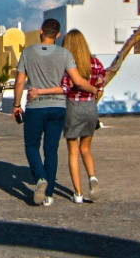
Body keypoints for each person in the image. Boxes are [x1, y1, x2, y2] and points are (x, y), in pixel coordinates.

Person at [12, 18, 98, 206]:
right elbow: (76, 81)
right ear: (58, 35)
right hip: (58, 108)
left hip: (35, 107)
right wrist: (93, 90)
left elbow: (19, 82)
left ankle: (41, 177)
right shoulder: (65, 53)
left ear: (41, 31)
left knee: (32, 146)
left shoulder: (27, 53)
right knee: (51, 150)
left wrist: (17, 105)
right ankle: (49, 195)